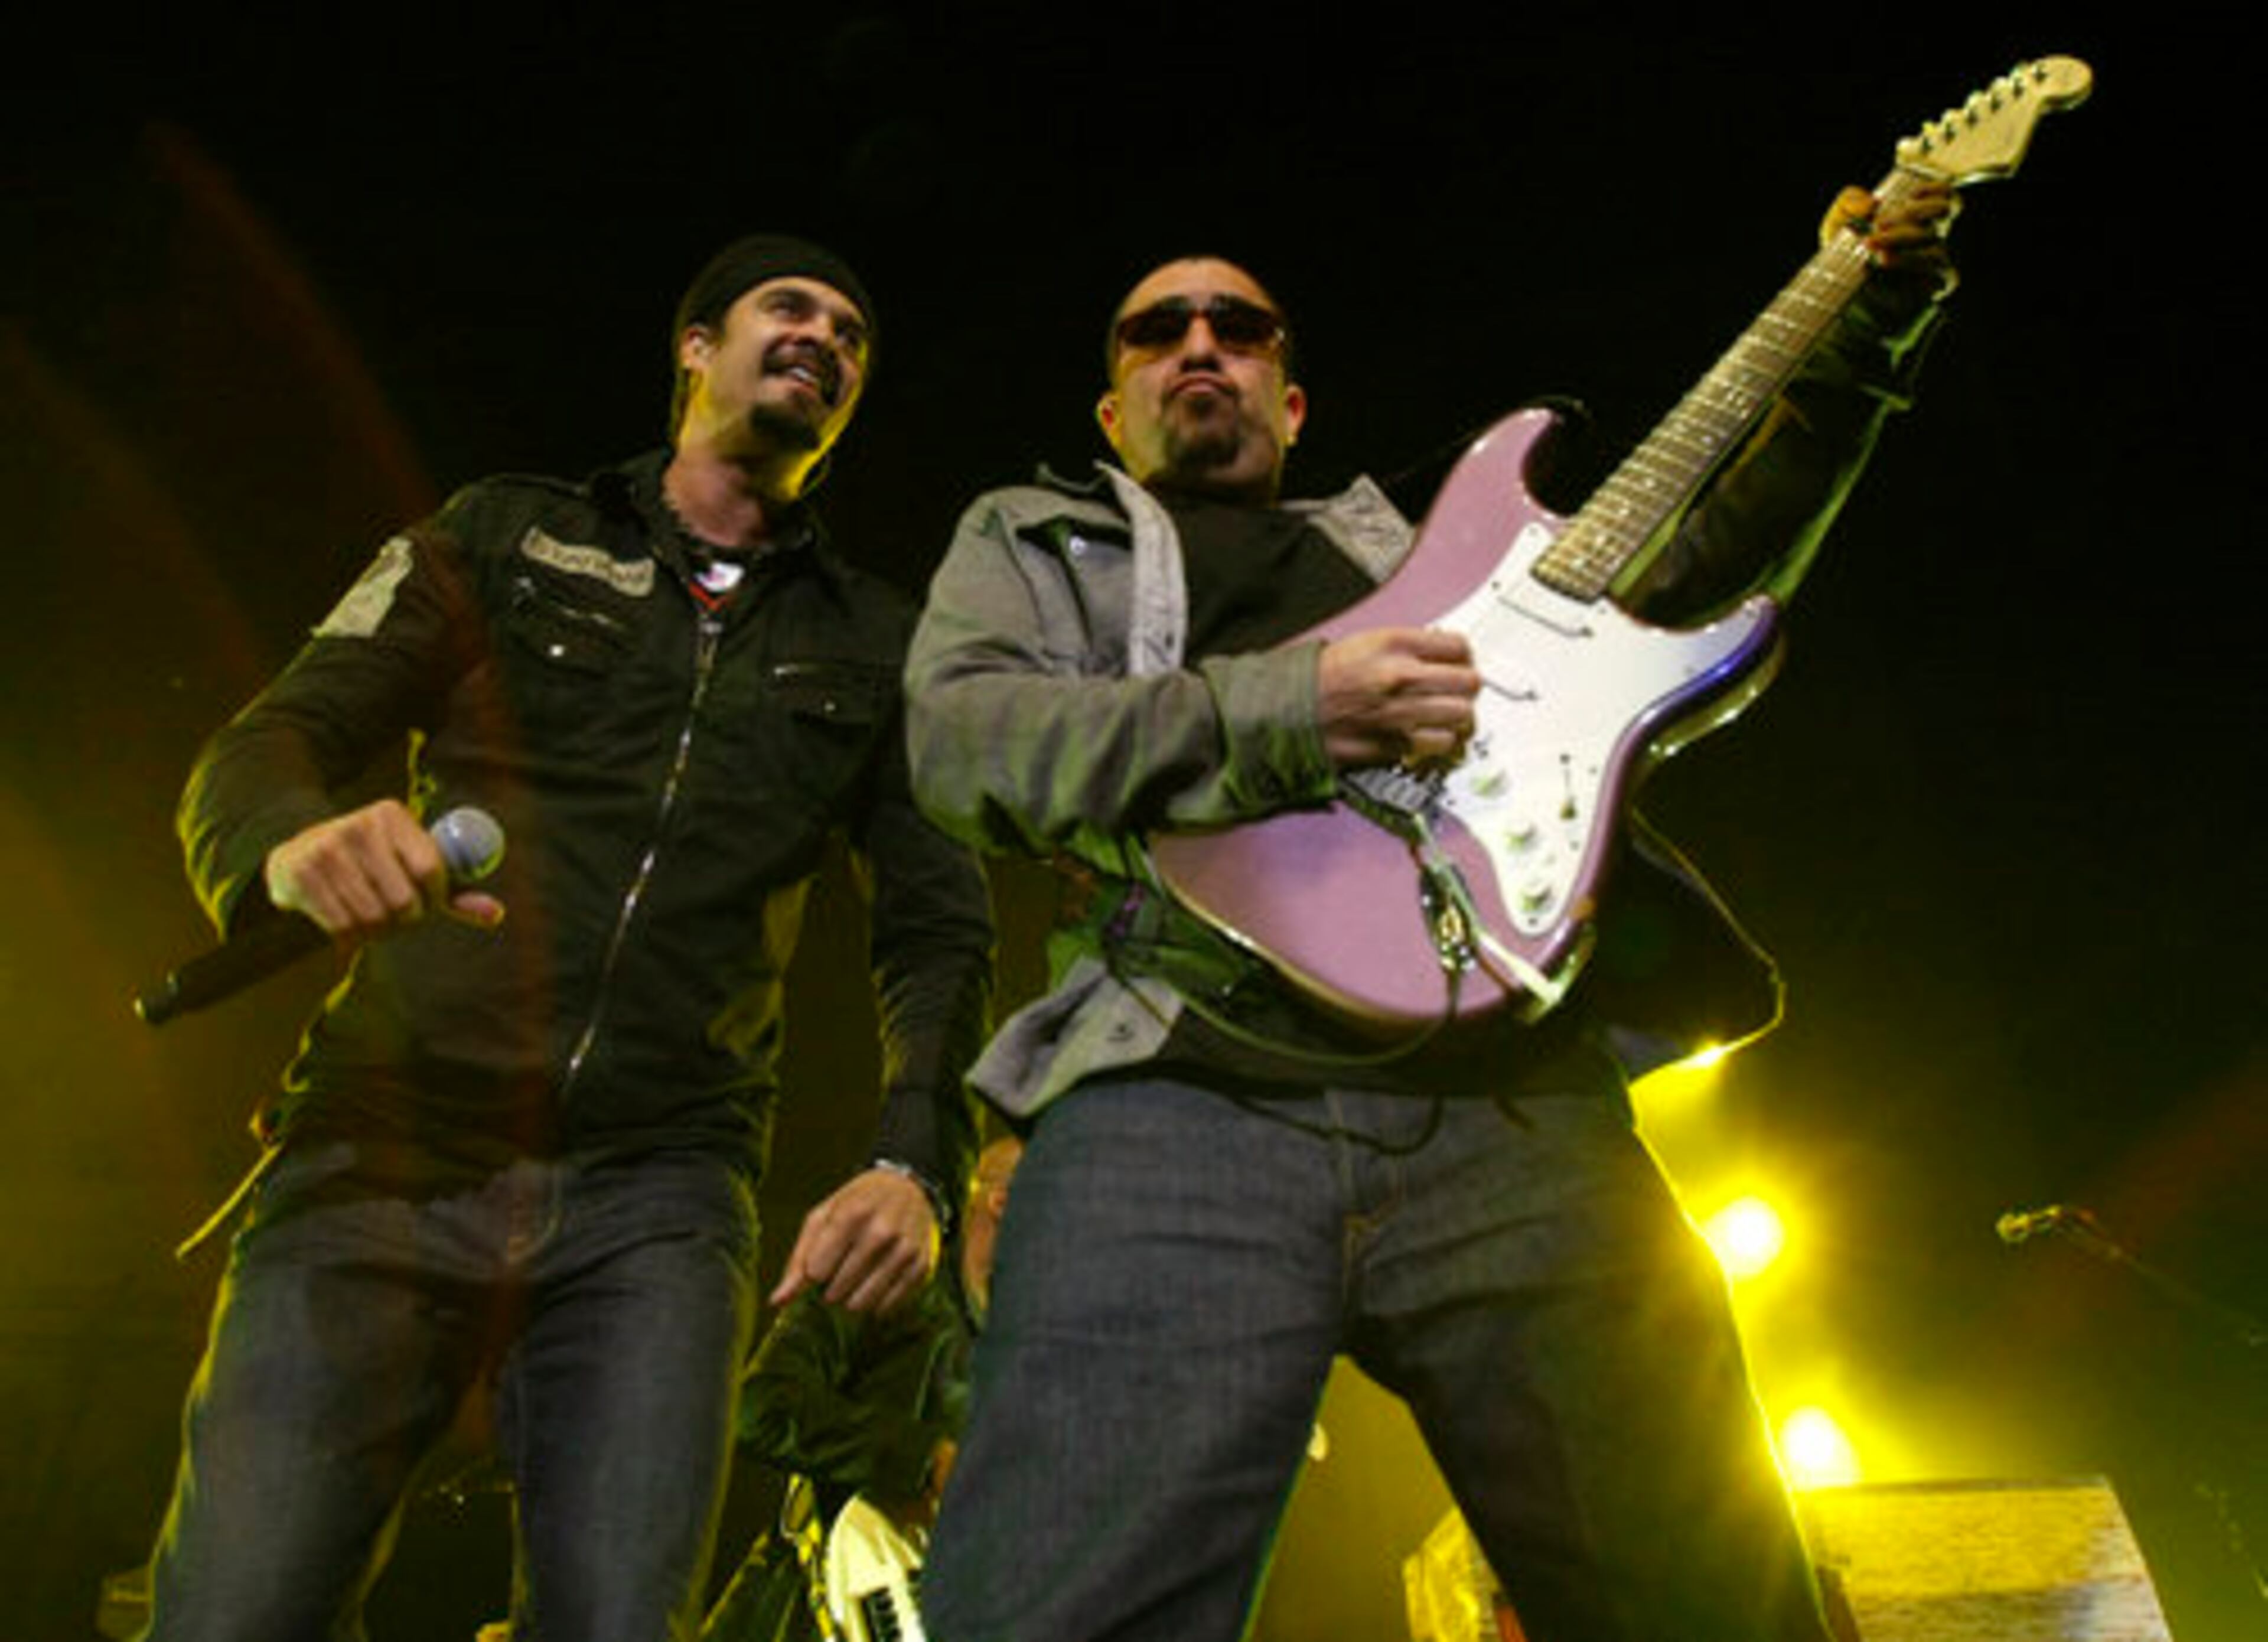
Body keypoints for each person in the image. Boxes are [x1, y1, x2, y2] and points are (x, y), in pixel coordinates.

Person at [900, 184, 1955, 1641]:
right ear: (1112, 406)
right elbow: (965, 743)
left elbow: (1697, 570)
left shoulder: (1423, 539)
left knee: (1708, 1594)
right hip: (1177, 1080)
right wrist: (1294, 704)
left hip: (1515, 1100)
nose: (1199, 344)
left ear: (1291, 398)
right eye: (1157, 330)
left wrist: (1865, 340)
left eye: (1239, 327)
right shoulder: (1036, 533)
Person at [134, 234, 994, 1642]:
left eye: (852, 334)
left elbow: (939, 926)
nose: (825, 337)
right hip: (386, 1140)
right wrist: (286, 846)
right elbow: (267, 742)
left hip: (659, 1193)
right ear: (695, 347)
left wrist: (913, 1161)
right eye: (789, 307)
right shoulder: (501, 532)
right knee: (238, 1609)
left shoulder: (881, 641)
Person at [701, 1133, 1022, 1642]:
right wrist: (926, 1460)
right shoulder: (887, 1271)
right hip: (797, 1615)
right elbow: (760, 1406)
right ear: (1003, 1204)